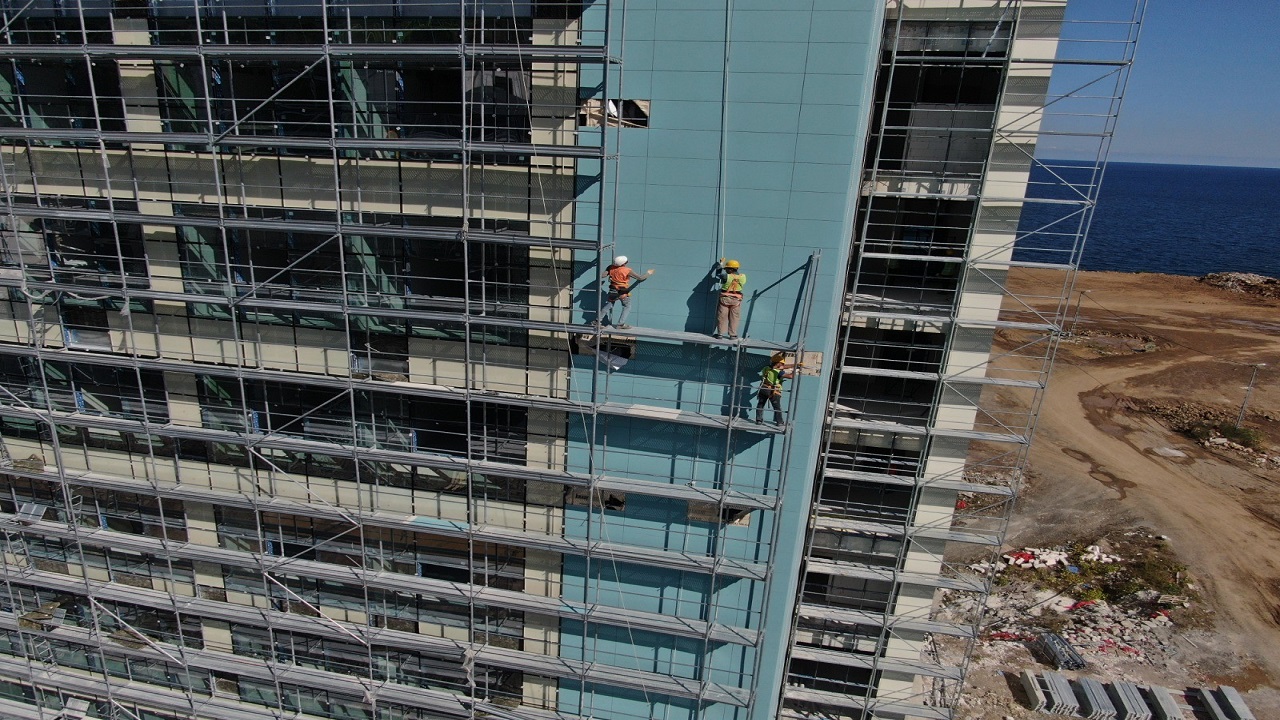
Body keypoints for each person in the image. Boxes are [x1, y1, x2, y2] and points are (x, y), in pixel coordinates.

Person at [601, 255, 653, 329]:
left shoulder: (610, 267)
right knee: (627, 306)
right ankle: (620, 324)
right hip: (622, 291)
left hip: (612, 290)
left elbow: (603, 275)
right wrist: (648, 273)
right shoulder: (627, 270)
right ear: (624, 263)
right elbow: (640, 278)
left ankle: (597, 321)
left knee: (609, 305)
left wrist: (610, 274)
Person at [756, 352, 799, 426]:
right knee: (777, 407)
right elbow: (790, 376)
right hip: (773, 391)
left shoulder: (766, 368)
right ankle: (779, 422)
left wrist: (795, 365)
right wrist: (795, 371)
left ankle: (759, 420)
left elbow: (781, 367)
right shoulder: (779, 372)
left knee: (760, 404)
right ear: (778, 363)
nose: (783, 365)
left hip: (764, 388)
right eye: (781, 363)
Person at [711, 258, 746, 339]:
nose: (725, 270)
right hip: (736, 300)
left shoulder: (725, 276)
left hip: (725, 299)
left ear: (731, 269)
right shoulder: (743, 277)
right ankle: (733, 335)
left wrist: (721, 264)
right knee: (734, 317)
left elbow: (717, 274)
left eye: (727, 269)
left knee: (722, 316)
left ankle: (720, 334)